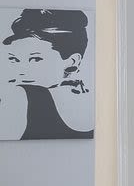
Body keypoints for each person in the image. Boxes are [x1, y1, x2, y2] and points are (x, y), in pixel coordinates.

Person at [0, 9, 93, 140]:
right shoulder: (92, 101)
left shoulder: (22, 95)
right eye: (14, 59)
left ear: (72, 62)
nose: (21, 70)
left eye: (36, 59)